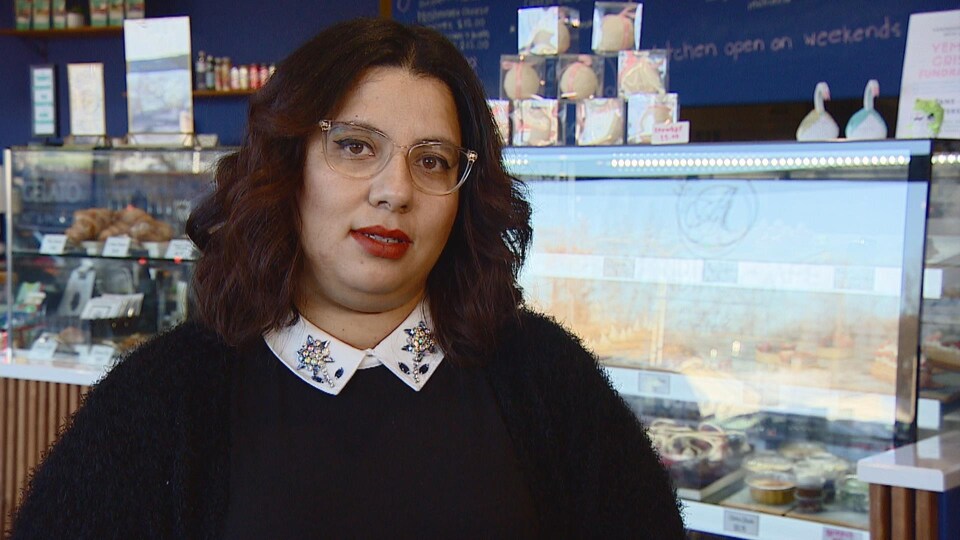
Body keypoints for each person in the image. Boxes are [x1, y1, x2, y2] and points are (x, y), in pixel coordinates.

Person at [11, 18, 685, 539]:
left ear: (465, 192)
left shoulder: (548, 378)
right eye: (355, 147)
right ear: (288, 164)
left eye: (432, 160)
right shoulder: (161, 399)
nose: (394, 191)